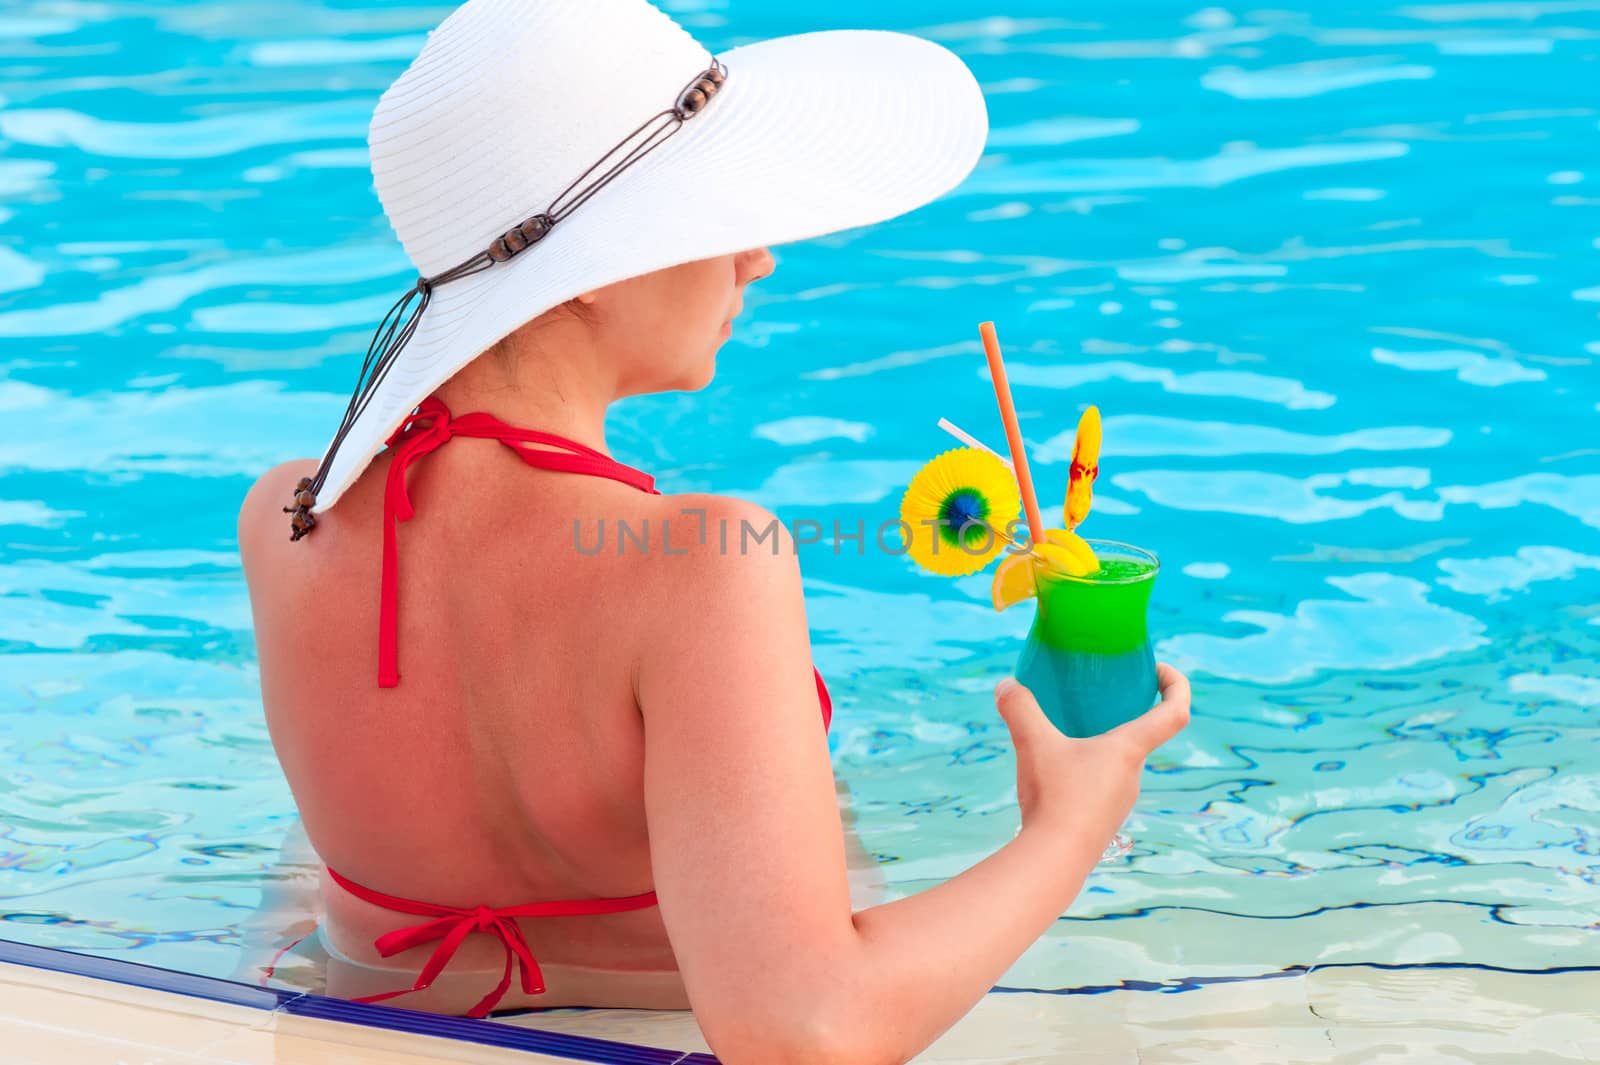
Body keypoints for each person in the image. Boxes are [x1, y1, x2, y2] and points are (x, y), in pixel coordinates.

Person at [237, 1, 1191, 1062]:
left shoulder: (287, 520)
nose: (758, 261)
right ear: (589, 271)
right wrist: (1072, 822)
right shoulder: (698, 565)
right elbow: (804, 1031)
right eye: (715, 215)